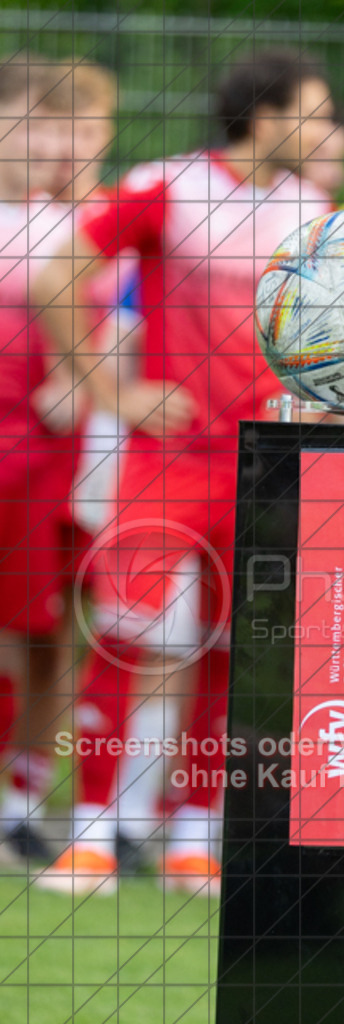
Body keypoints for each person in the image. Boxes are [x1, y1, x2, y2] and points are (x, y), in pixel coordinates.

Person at [32, 48, 336, 895]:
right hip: (168, 457)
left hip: (271, 466)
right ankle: (90, 837)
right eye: (312, 113)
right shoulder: (166, 187)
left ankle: (194, 836)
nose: (324, 130)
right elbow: (60, 278)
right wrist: (110, 391)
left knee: (236, 649)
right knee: (124, 639)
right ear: (266, 118)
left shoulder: (314, 209)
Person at [0, 52, 79, 861]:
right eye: (28, 122)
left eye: (55, 128)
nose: (46, 142)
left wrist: (75, 376)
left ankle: (20, 799)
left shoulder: (74, 230)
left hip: (46, 463)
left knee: (41, 634)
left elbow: (109, 338)